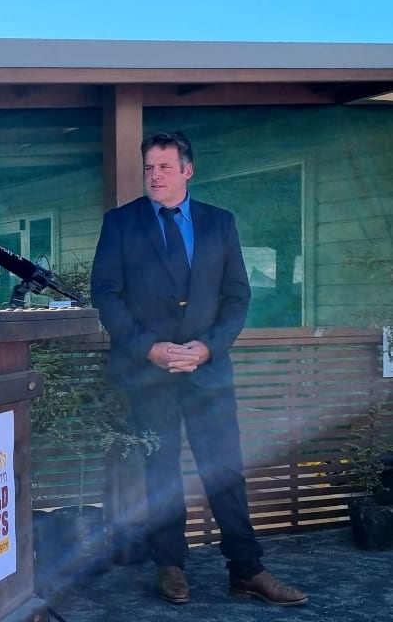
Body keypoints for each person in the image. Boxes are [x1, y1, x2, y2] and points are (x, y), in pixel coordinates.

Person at [90, 131, 307, 607]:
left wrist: (207, 348)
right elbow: (105, 294)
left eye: (165, 167)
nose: (155, 176)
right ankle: (170, 566)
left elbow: (237, 297)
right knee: (162, 467)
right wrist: (149, 349)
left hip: (208, 369)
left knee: (224, 468)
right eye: (149, 167)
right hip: (149, 370)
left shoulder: (219, 224)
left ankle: (247, 570)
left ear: (187, 170)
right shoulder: (121, 223)